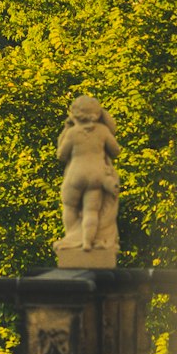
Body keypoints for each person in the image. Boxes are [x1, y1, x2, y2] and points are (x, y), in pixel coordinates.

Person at [54, 94, 120, 255]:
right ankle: (87, 242)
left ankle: (71, 238)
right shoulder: (103, 131)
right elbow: (116, 151)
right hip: (97, 176)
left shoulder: (73, 133)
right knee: (92, 211)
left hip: (76, 174)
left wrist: (66, 128)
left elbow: (61, 155)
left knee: (69, 206)